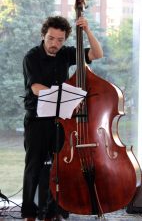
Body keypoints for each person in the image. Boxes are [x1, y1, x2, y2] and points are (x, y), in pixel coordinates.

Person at [21, 15, 103, 221]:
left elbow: (97, 54)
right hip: (37, 120)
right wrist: (63, 96)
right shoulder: (31, 57)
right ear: (43, 35)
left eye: (59, 40)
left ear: (64, 39)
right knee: (34, 167)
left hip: (61, 120)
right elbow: (37, 88)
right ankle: (29, 214)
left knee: (59, 168)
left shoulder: (66, 53)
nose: (54, 44)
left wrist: (87, 31)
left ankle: (52, 213)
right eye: (51, 38)